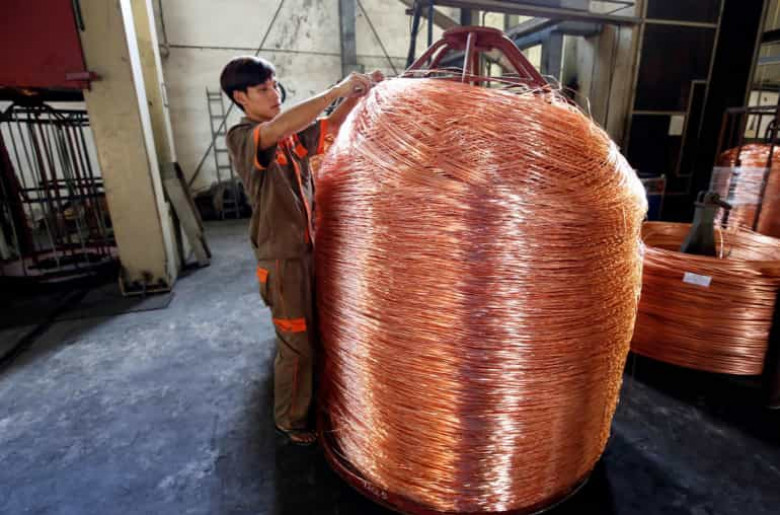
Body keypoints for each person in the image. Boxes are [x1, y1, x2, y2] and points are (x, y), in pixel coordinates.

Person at [220, 56, 382, 445]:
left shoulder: (291, 138)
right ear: (241, 97)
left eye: (275, 85)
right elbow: (279, 128)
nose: (274, 94)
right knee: (297, 346)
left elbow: (332, 126)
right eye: (263, 89)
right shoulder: (244, 137)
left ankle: (309, 402)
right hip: (283, 261)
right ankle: (291, 420)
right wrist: (336, 90)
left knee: (316, 334)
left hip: (307, 252)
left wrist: (360, 94)